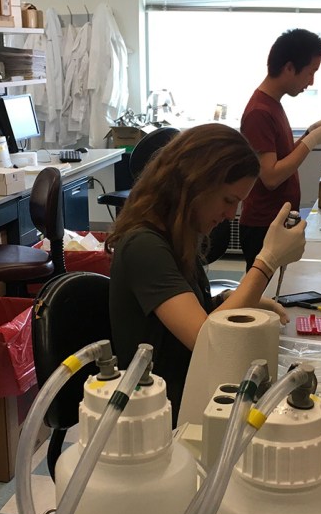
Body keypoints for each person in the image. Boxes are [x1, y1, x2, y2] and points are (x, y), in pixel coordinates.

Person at [106, 123, 308, 424]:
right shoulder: (143, 245)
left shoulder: (177, 232)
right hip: (162, 413)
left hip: (189, 389)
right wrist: (267, 261)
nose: (230, 215)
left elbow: (186, 312)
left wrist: (233, 299)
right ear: (193, 182)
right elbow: (205, 338)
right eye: (228, 200)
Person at [239, 28, 321, 270]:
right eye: (310, 72)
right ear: (290, 68)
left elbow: (280, 157)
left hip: (277, 220)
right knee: (264, 301)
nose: (311, 81)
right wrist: (312, 141)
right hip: (264, 226)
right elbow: (271, 176)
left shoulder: (273, 104)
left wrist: (308, 133)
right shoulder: (259, 112)